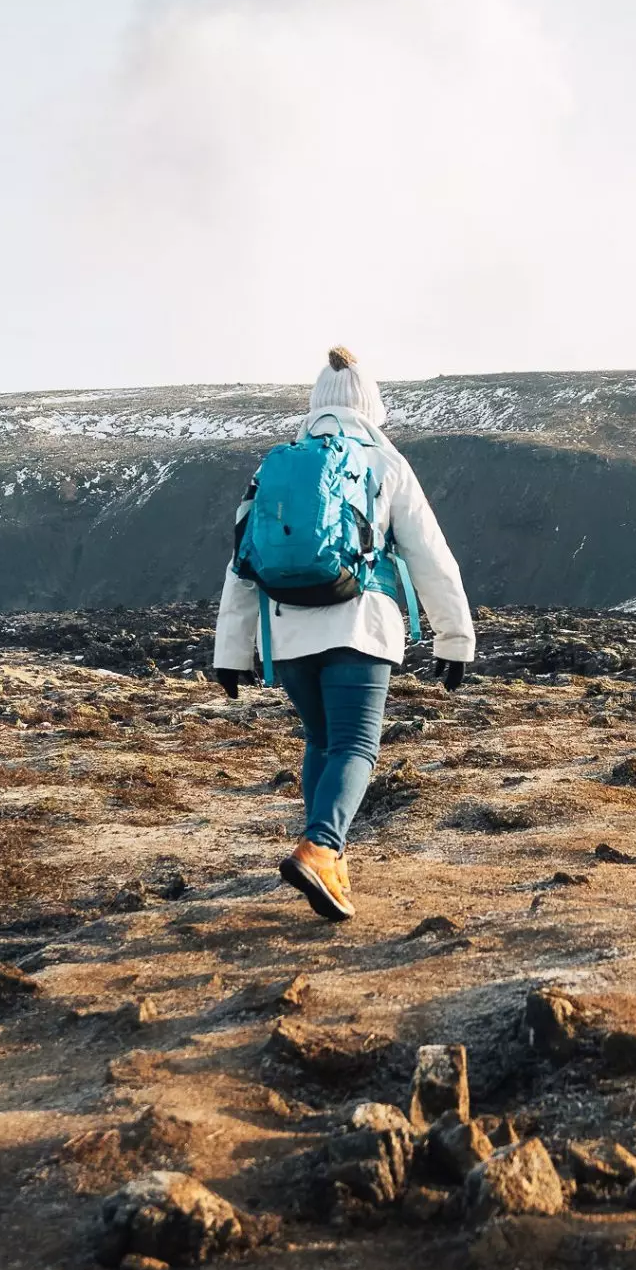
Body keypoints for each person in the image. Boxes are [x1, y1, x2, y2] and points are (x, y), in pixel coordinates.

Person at [213, 347, 476, 922]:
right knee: (356, 745)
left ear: (315, 404)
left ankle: (330, 864)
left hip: (287, 634)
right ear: (370, 405)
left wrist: (230, 653)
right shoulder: (384, 463)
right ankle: (321, 846)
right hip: (360, 626)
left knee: (323, 741)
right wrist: (454, 639)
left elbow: (242, 559)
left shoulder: (275, 466)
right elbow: (431, 557)